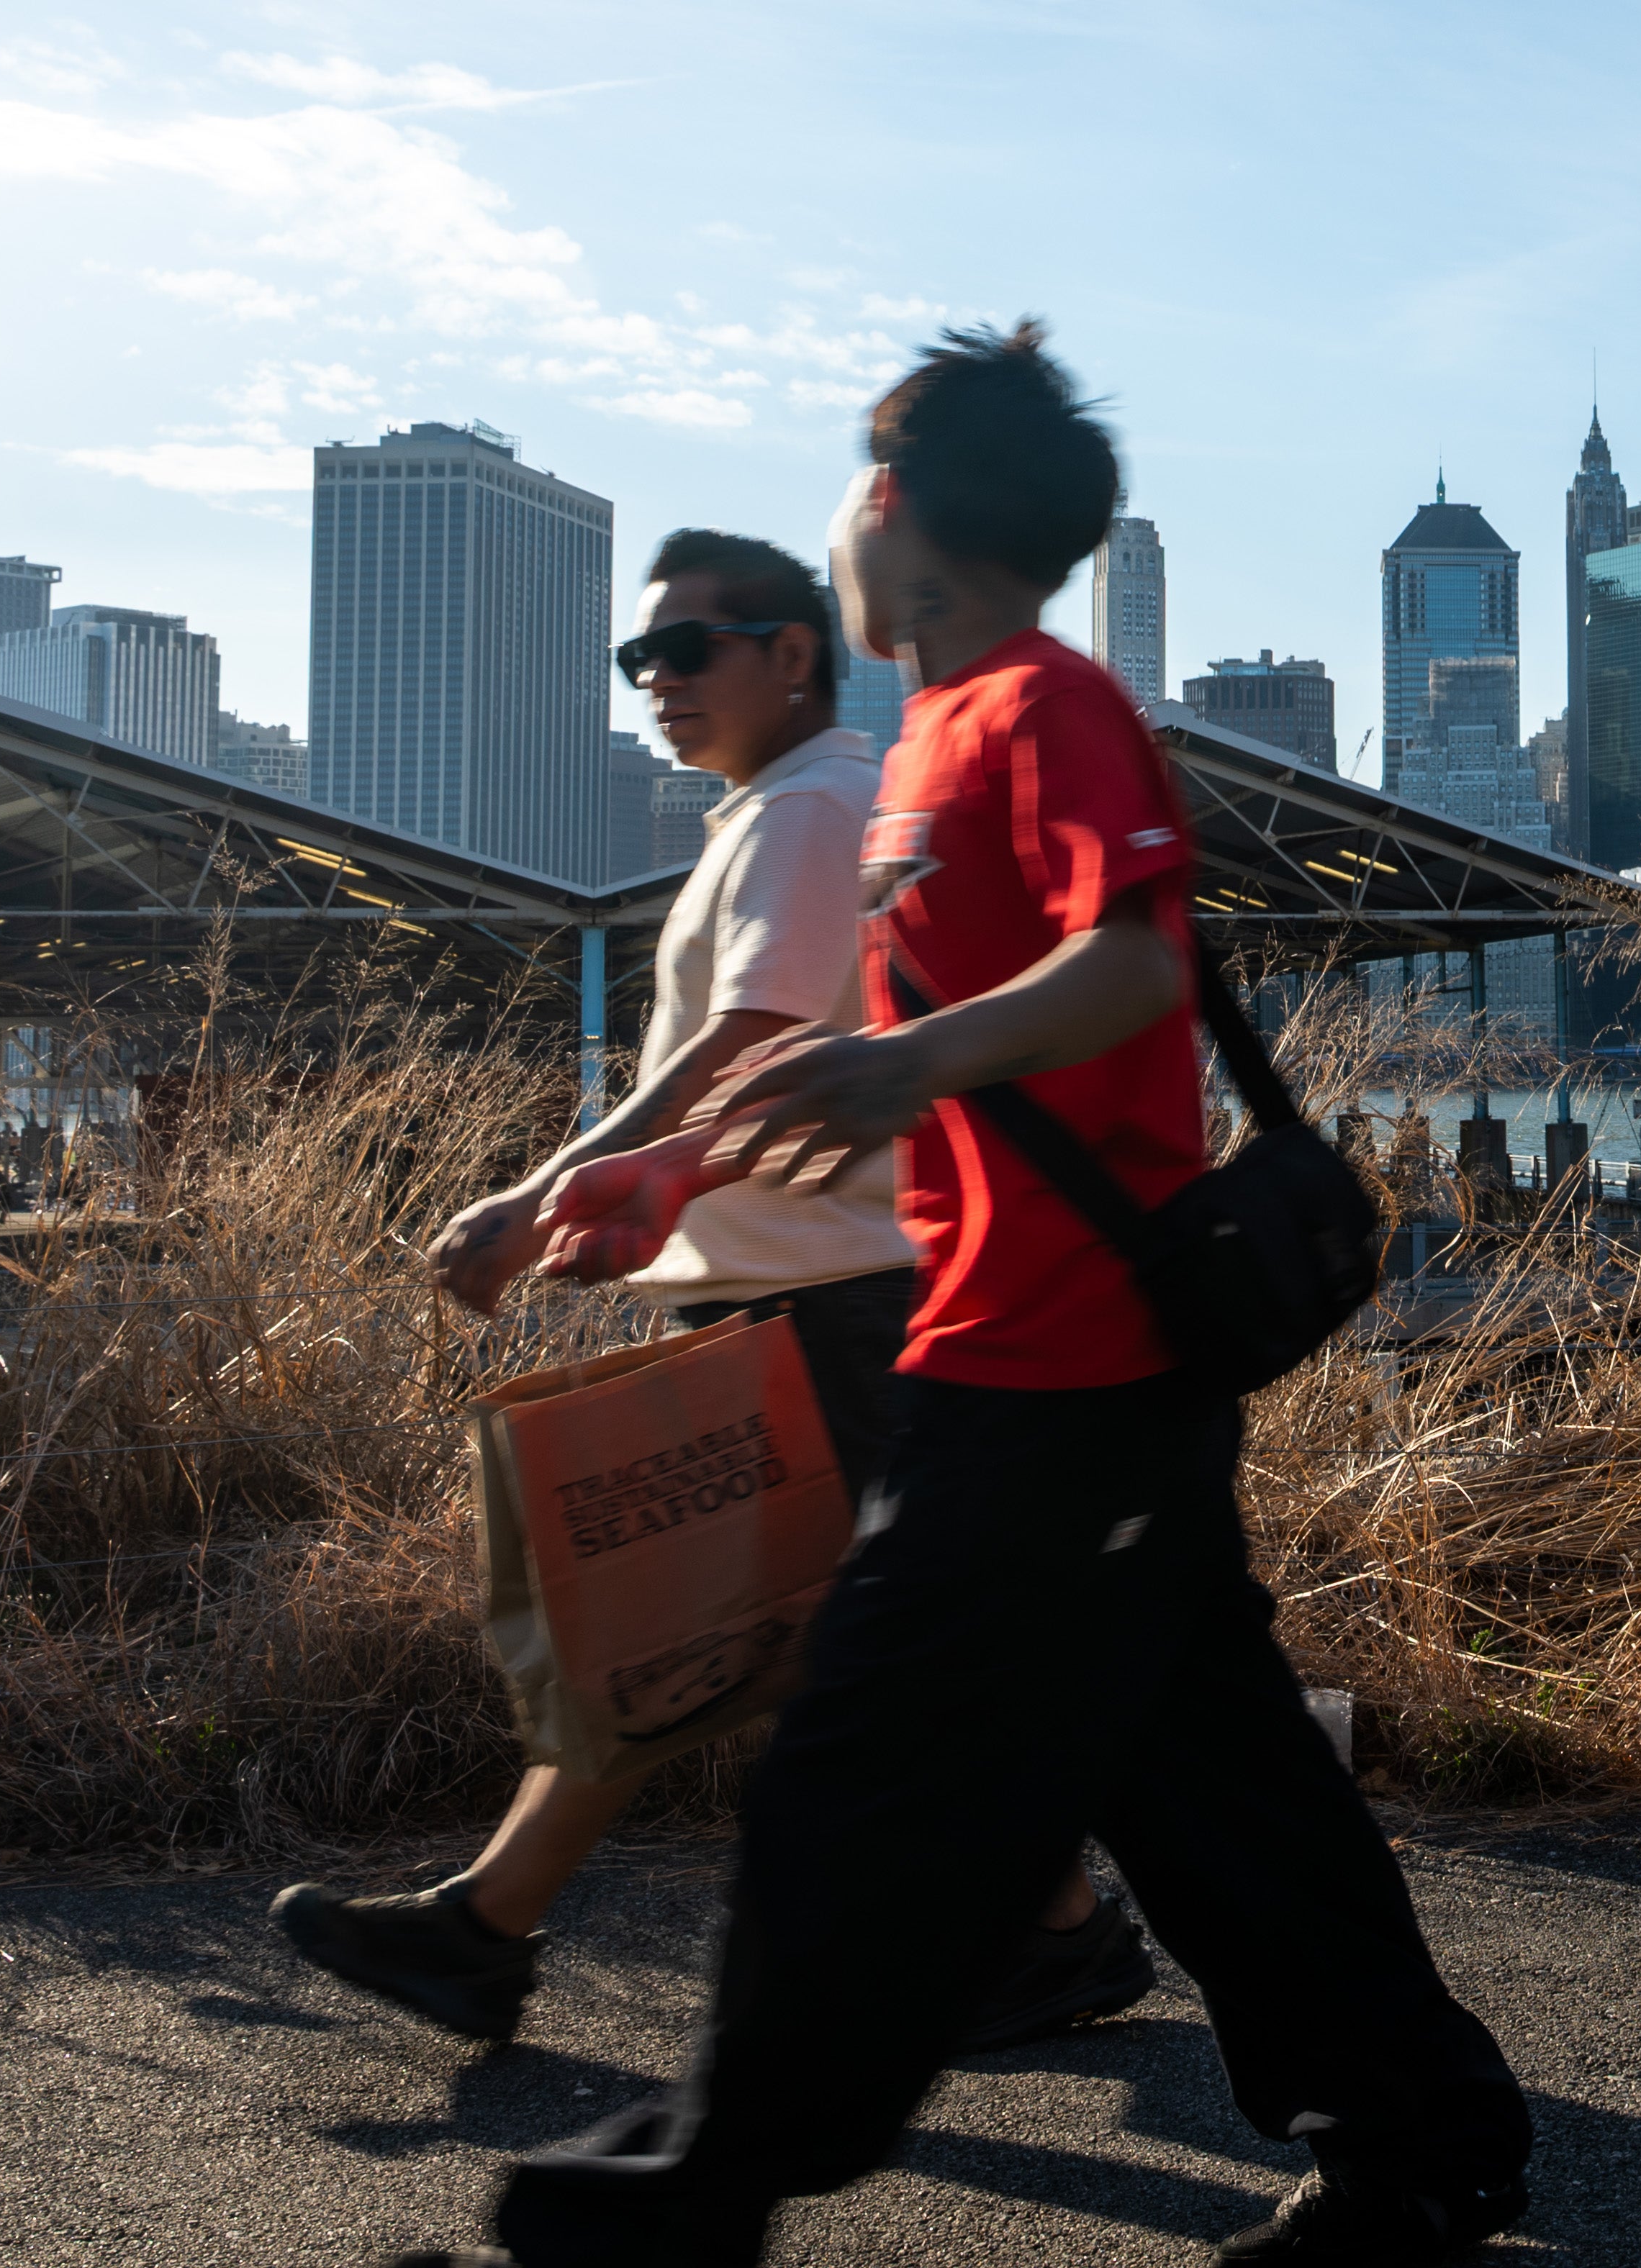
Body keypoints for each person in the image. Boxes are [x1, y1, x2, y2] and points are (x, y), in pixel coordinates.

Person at [405, 324, 1527, 2268]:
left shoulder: (1040, 707)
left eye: (857, 478)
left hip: (1064, 1368)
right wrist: (672, 1169)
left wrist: (910, 1070)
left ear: (902, 510)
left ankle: (703, 2192)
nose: (843, 515)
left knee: (867, 1783)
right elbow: (884, 1046)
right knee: (1217, 1790)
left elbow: (1133, 969)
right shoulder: (918, 745)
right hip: (1015, 1350)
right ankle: (1422, 2147)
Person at [277, 530, 1145, 2054]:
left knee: (833, 1643)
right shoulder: (775, 810)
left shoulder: (813, 810)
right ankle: (491, 1925)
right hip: (775, 1290)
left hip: (836, 1298)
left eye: (688, 650)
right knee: (686, 1633)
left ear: (792, 653)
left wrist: (548, 1181)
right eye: (640, 660)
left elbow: (748, 1032)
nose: (656, 684)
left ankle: (1037, 1934)